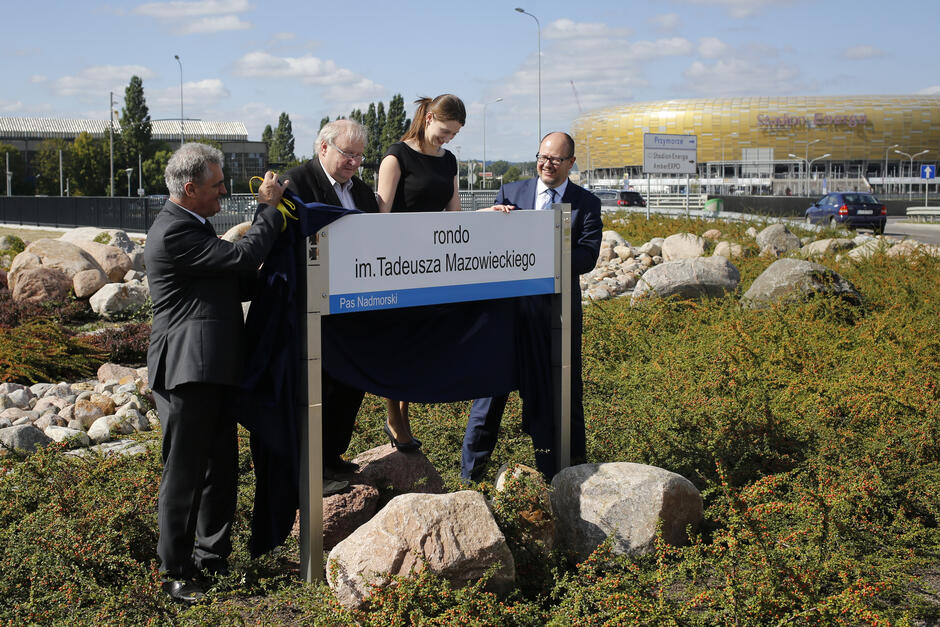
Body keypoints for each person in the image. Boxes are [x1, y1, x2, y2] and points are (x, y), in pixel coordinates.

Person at [146, 143, 288, 605]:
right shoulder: (173, 232)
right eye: (217, 185)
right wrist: (268, 210)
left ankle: (213, 559)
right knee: (185, 474)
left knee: (220, 472)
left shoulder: (196, 228)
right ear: (189, 189)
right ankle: (176, 571)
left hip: (217, 369)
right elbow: (242, 261)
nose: (225, 192)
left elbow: (240, 278)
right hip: (188, 371)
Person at [462, 131, 602, 481]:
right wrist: (492, 221)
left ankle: (566, 479)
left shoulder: (587, 203)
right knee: (488, 399)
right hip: (506, 315)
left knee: (560, 398)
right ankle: (469, 480)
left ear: (571, 163)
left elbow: (587, 257)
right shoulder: (512, 192)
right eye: (543, 156)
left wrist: (544, 254)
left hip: (556, 317)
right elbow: (489, 247)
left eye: (556, 159)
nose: (547, 164)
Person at [286, 119, 379, 477]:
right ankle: (311, 467)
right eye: (347, 155)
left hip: (355, 307)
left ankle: (333, 456)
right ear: (323, 147)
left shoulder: (363, 192)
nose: (354, 163)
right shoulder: (296, 184)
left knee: (349, 384)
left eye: (359, 156)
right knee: (317, 388)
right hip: (312, 307)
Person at [376, 94, 466, 451]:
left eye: (454, 135)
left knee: (416, 344)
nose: (448, 139)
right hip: (397, 263)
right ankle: (395, 418)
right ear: (428, 118)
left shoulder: (450, 161)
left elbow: (455, 215)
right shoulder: (395, 157)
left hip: (431, 264)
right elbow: (380, 216)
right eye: (445, 131)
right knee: (396, 343)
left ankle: (402, 413)